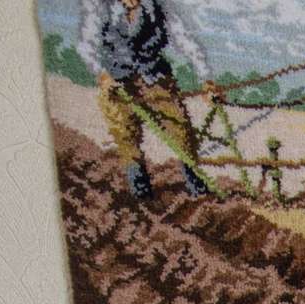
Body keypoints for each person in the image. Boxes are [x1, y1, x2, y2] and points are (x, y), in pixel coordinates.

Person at [80, 0, 214, 201]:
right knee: (124, 132)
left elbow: (184, 39)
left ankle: (195, 182)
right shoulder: (99, 5)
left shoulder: (159, 4)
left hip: (155, 75)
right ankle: (140, 190)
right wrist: (102, 74)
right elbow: (87, 44)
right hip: (116, 80)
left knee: (180, 128)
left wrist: (206, 79)